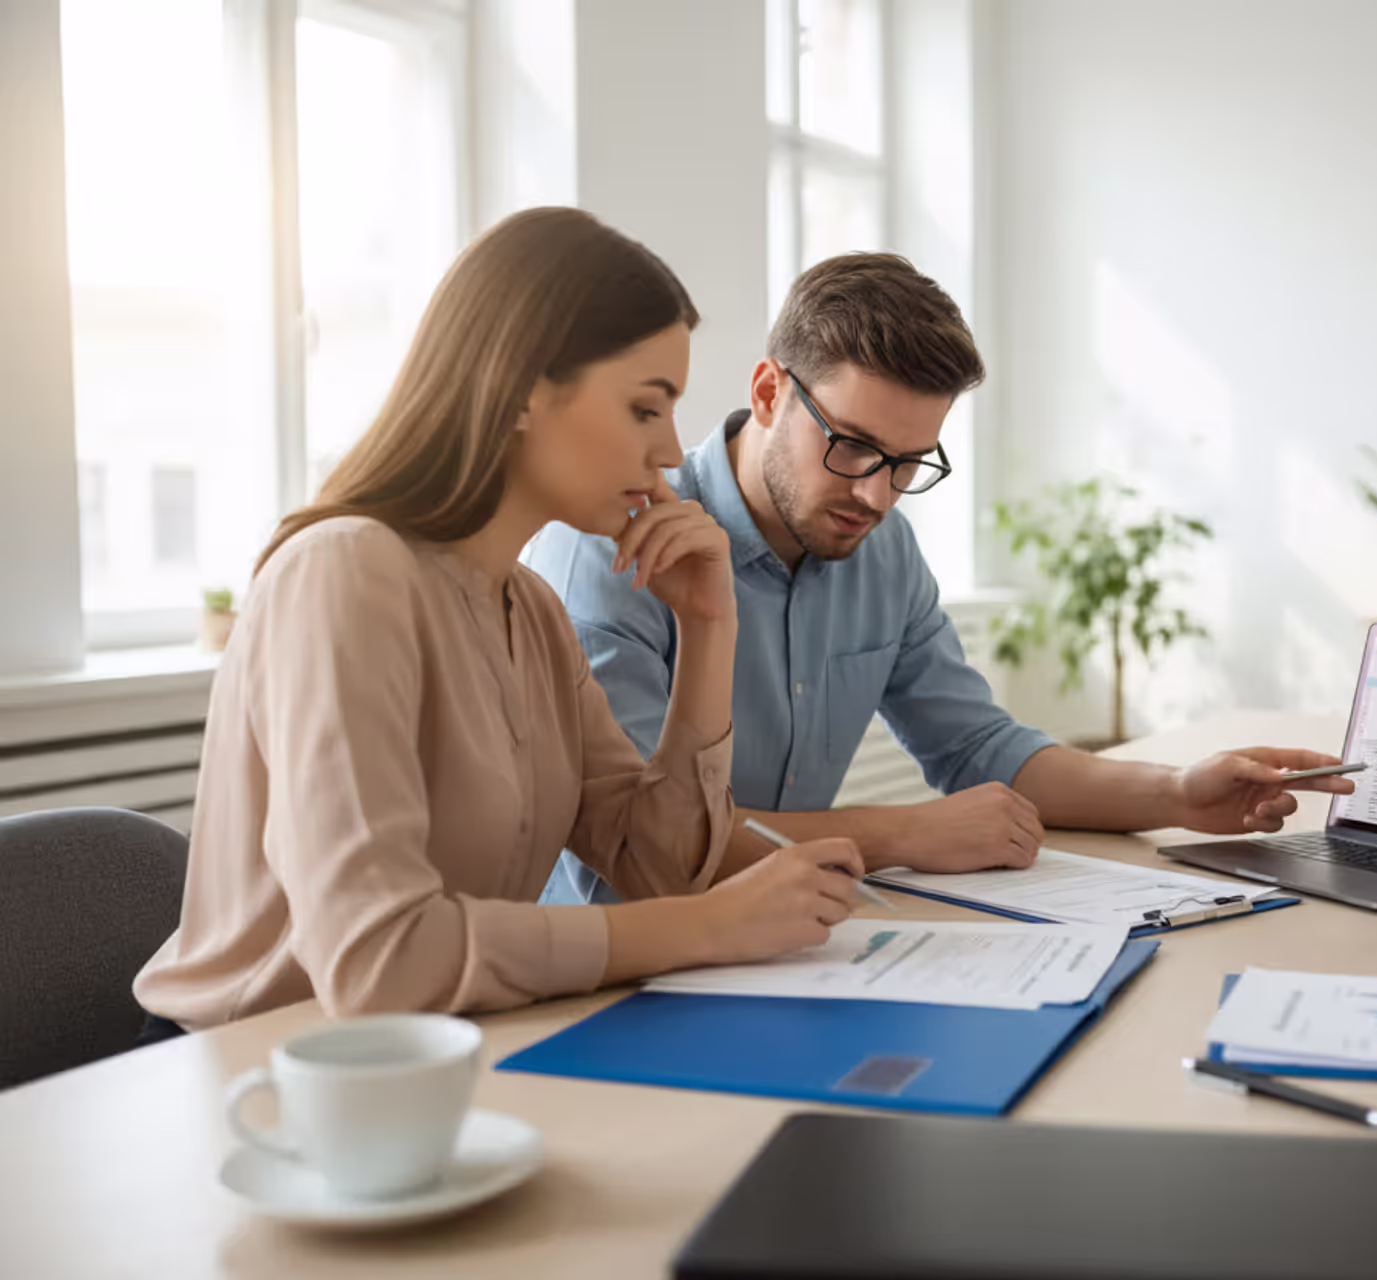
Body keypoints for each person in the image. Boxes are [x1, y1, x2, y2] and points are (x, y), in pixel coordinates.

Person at [134, 208, 866, 1035]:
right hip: (258, 1074)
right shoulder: (343, 572)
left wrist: (709, 626)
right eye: (644, 408)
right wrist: (707, 930)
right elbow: (382, 960)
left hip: (439, 1061)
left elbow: (658, 866)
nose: (670, 452)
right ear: (521, 388)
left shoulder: (533, 611)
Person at [530, 252, 1354, 908]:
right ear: (770, 391)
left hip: (790, 945)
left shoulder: (880, 549)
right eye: (851, 446)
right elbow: (646, 848)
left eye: (908, 463)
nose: (875, 494)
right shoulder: (611, 548)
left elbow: (978, 748)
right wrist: (898, 835)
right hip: (619, 974)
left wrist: (1175, 794)